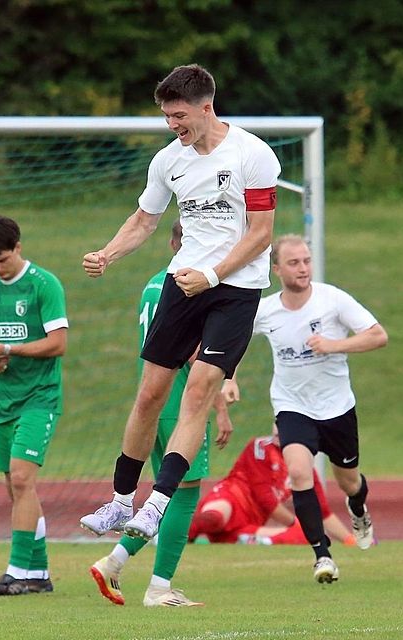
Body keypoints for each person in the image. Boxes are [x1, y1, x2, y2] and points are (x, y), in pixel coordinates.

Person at [78, 63, 280, 542]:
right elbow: (145, 221)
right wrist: (107, 253)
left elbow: (261, 234)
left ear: (206, 107)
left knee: (199, 393)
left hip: (235, 290)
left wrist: (211, 275)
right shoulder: (169, 160)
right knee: (150, 394)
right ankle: (120, 501)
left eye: (178, 115)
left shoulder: (253, 154)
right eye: (167, 117)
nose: (173, 125)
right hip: (182, 282)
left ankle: (157, 504)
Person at [89, 221, 233, 607]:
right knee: (181, 497)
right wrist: (220, 403)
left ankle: (114, 562)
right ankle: (159, 587)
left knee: (157, 500)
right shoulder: (194, 287)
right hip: (181, 405)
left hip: (150, 404)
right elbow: (195, 352)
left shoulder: (154, 285)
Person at [246, 234, 387, 583]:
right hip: (292, 406)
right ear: (277, 269)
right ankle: (322, 556)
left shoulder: (332, 300)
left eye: (306, 260)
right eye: (294, 263)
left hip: (337, 408)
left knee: (349, 482)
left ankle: (358, 509)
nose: (303, 268)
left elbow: (377, 335)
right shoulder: (266, 310)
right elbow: (232, 341)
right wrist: (228, 378)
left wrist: (334, 345)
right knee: (298, 473)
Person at [0, 216, 68, 596]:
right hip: (4, 401)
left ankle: (16, 570)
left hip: (40, 398)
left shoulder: (44, 285)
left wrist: (11, 349)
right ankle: (39, 573)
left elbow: (58, 343)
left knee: (24, 478)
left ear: (18, 248)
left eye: (2, 260)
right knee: (16, 487)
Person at [186, 426, 354, 547]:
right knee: (214, 518)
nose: (278, 429)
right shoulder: (260, 448)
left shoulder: (304, 466)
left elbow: (322, 511)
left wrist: (349, 540)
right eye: (277, 422)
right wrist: (295, 523)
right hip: (231, 498)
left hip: (250, 522)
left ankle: (234, 539)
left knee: (305, 536)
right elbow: (265, 499)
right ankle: (172, 536)